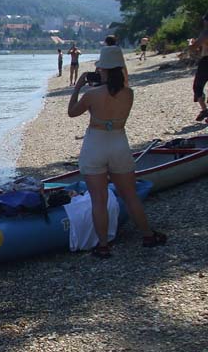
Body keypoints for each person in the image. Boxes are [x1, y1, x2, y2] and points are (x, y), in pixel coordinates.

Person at [67, 66, 166, 258]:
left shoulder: (92, 94)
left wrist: (78, 87)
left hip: (95, 145)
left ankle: (103, 246)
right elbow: (118, 87)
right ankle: (148, 235)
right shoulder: (128, 93)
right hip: (119, 143)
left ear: (103, 71)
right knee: (130, 196)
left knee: (99, 200)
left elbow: (72, 112)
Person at [189, 13, 208, 122]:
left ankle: (204, 109)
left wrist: (191, 42)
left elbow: (193, 48)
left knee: (197, 86)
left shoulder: (205, 32)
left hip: (206, 61)